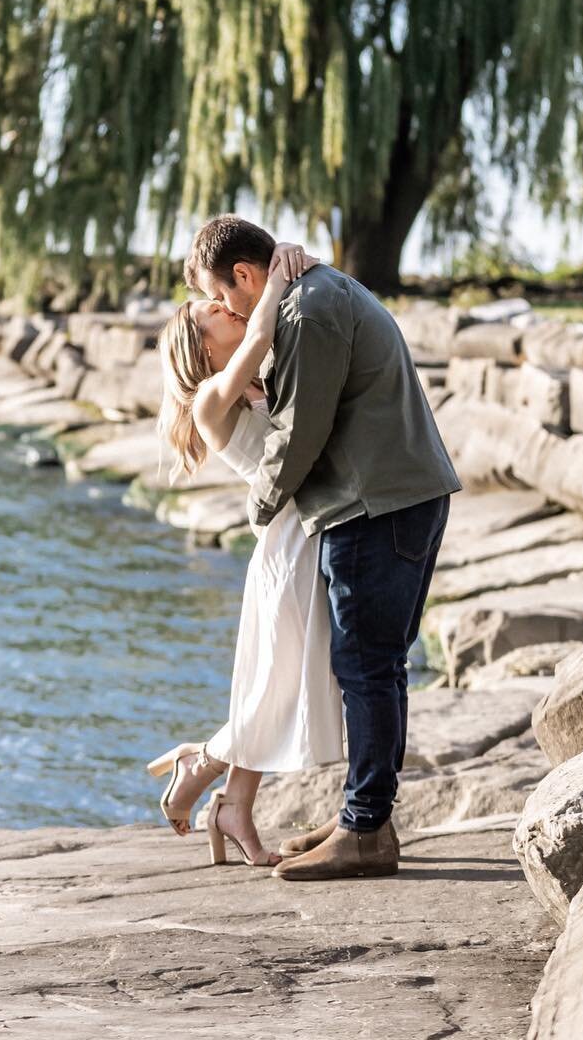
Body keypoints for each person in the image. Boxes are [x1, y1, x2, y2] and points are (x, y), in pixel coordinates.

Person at [184, 214, 463, 882]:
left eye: (224, 297)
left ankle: (364, 830)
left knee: (368, 666)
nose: (227, 310)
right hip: (389, 496)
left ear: (246, 276)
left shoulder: (308, 311)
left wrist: (257, 511)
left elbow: (299, 434)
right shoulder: (312, 296)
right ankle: (362, 818)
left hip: (373, 504)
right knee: (373, 665)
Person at [146, 240, 344, 868]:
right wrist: (279, 274)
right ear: (202, 350)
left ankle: (232, 801)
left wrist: (283, 265)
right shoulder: (212, 400)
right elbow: (261, 328)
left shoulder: (258, 379)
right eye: (213, 314)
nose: (225, 310)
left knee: (279, 686)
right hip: (286, 548)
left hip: (307, 535)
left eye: (221, 302)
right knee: (277, 690)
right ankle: (200, 765)